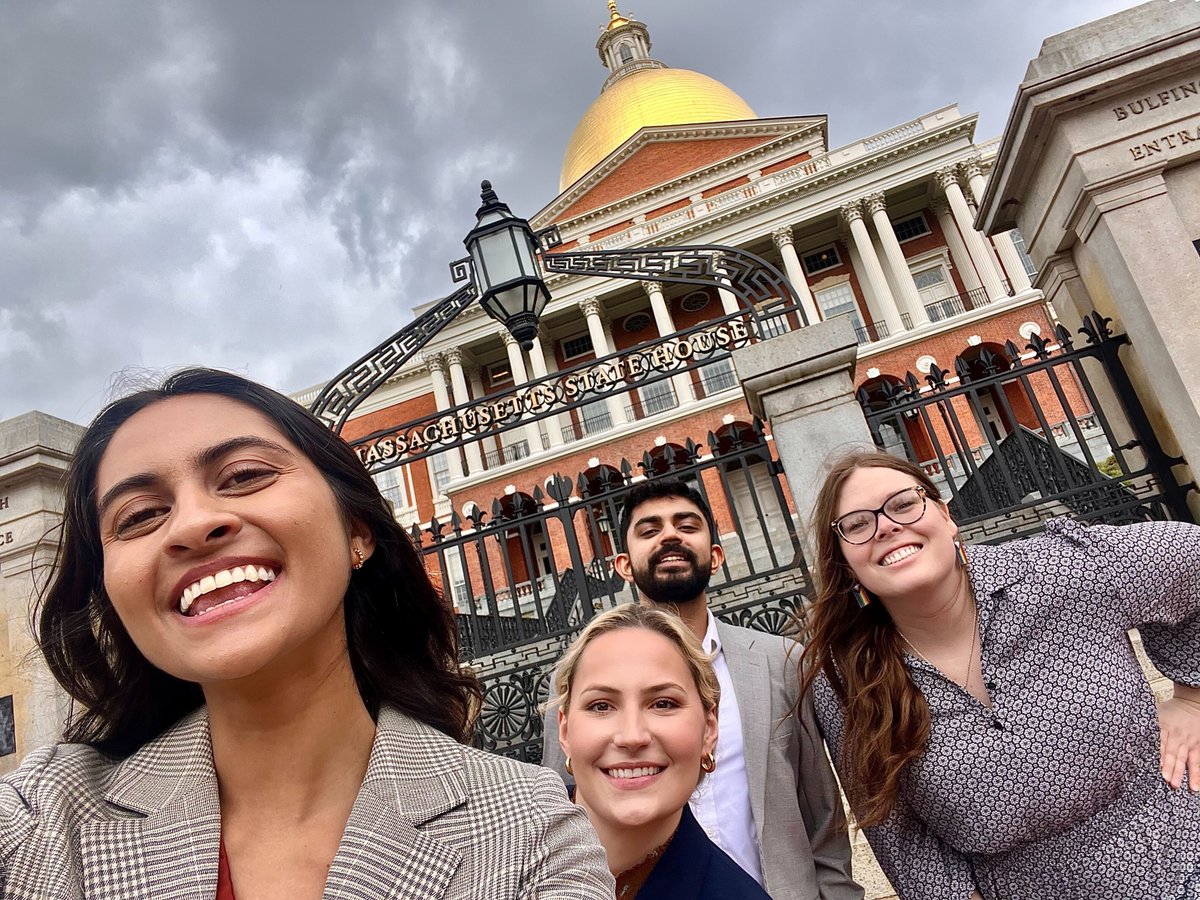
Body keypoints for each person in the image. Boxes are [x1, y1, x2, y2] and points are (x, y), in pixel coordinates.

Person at [0, 368, 613, 899]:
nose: (192, 524)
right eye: (139, 516)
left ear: (357, 532)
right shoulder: (45, 819)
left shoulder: (529, 829)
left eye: (242, 476)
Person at [802, 449, 1200, 900]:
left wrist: (1191, 697)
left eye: (903, 504)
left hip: (1184, 860)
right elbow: (899, 833)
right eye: (857, 525)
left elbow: (1193, 559)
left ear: (946, 517)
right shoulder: (846, 677)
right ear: (844, 562)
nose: (887, 525)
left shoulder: (1060, 570)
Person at [544, 478, 862, 900]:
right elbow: (556, 813)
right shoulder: (578, 681)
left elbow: (823, 814)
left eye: (686, 525)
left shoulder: (783, 661)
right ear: (624, 564)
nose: (670, 535)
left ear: (715, 556)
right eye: (649, 529)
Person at [554, 602, 770, 899]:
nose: (632, 736)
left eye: (663, 704)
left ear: (709, 729)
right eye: (601, 706)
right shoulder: (490, 840)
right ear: (565, 730)